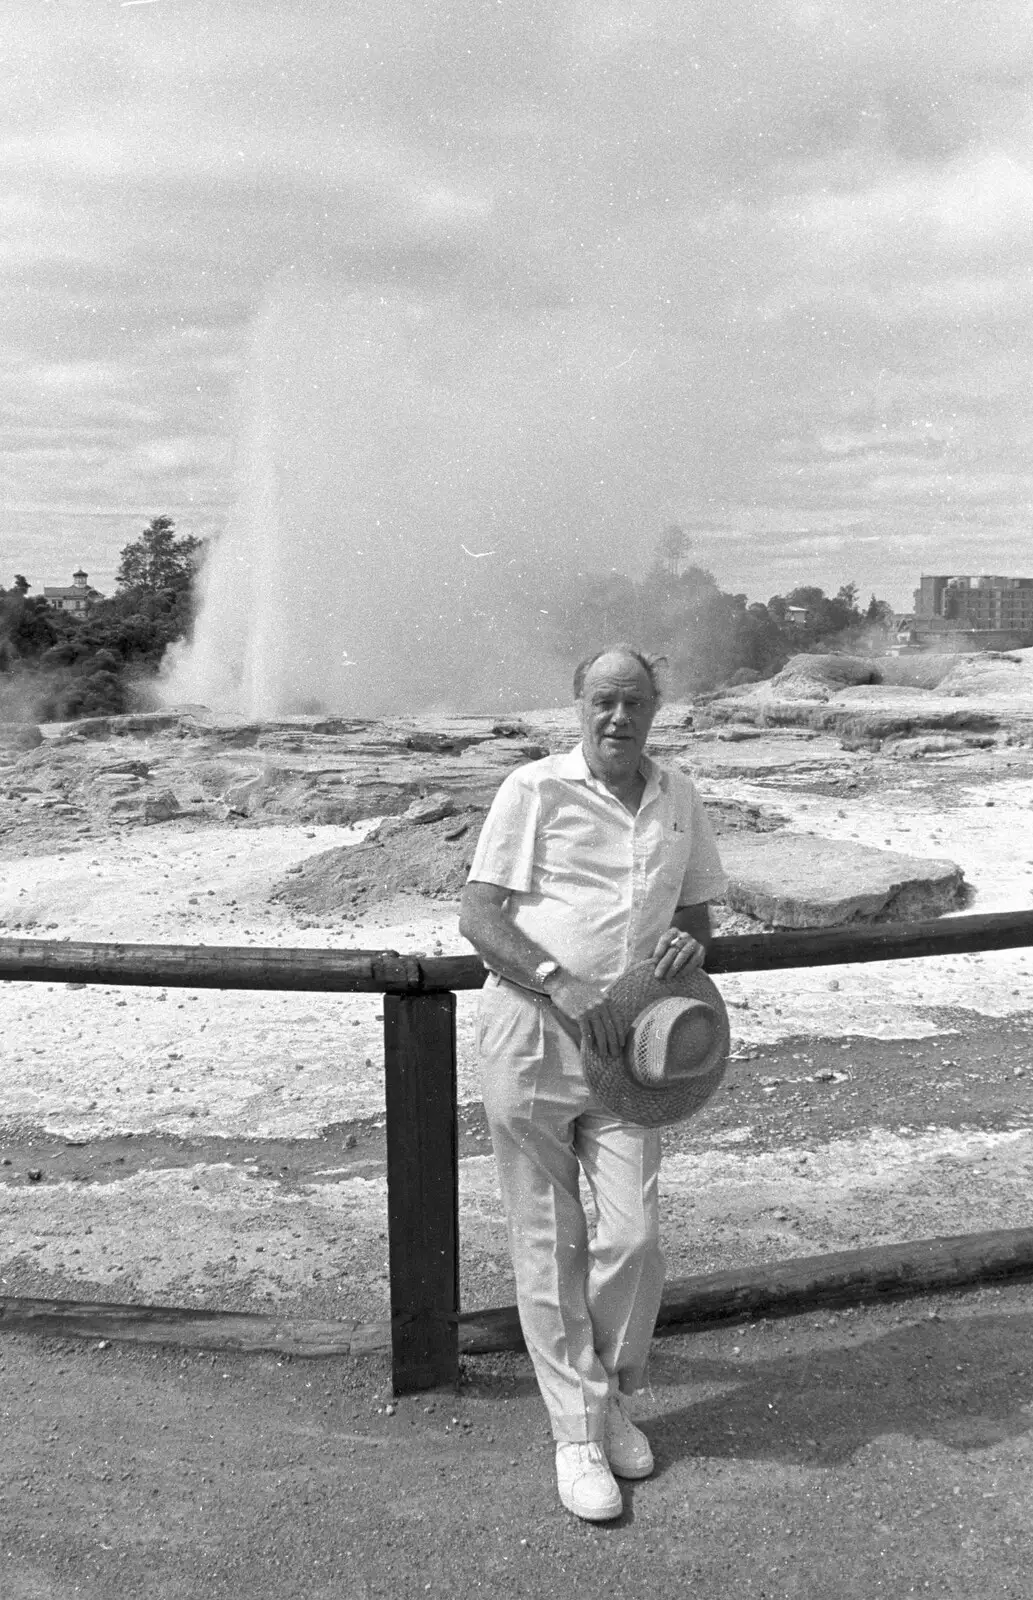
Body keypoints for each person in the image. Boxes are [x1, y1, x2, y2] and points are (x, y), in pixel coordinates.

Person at [459, 644, 728, 1521]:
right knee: (547, 1235)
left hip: (631, 1046)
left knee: (634, 1235)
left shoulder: (677, 794)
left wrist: (693, 941)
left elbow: (692, 908)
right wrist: (555, 977)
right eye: (602, 701)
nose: (618, 717)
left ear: (658, 705)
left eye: (634, 701)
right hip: (533, 1031)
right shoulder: (533, 789)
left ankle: (602, 1396)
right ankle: (577, 1434)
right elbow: (479, 913)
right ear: (576, 706)